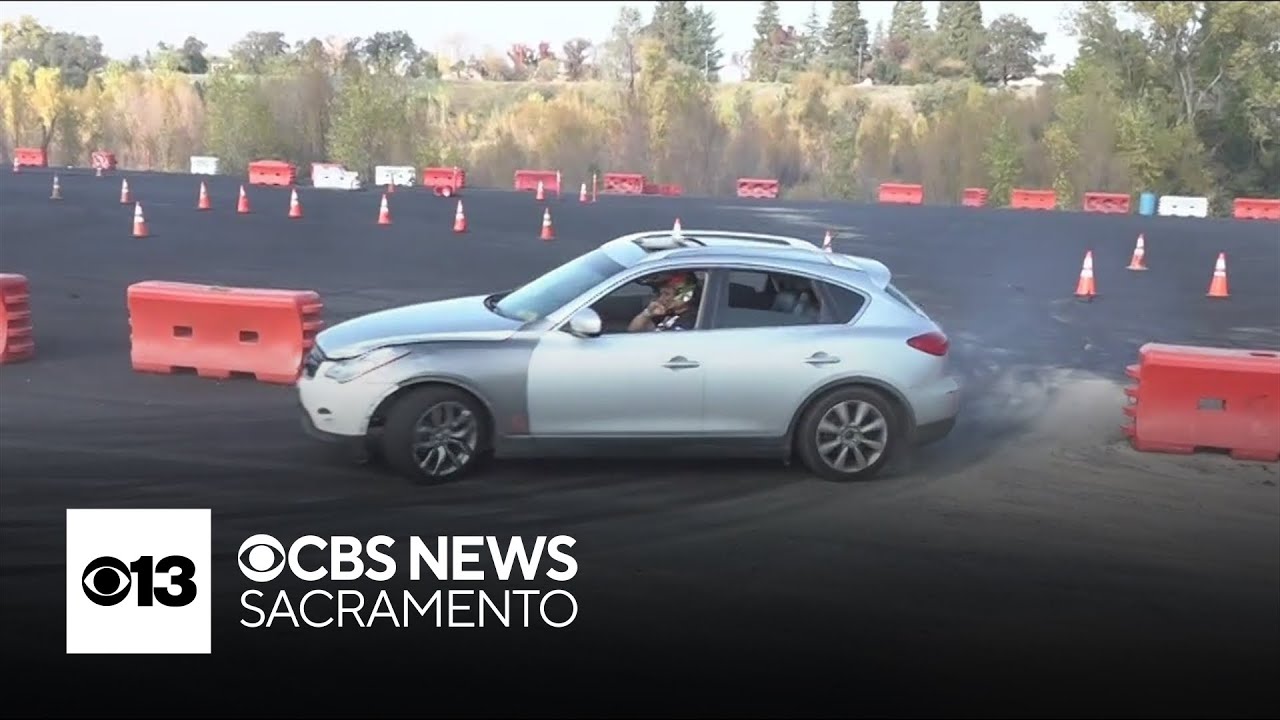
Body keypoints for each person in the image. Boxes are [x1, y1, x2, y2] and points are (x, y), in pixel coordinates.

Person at [628, 272, 699, 332]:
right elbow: (633, 331)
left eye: (667, 294)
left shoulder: (690, 320)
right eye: (660, 294)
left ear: (685, 295)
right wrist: (647, 313)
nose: (661, 299)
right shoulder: (665, 313)